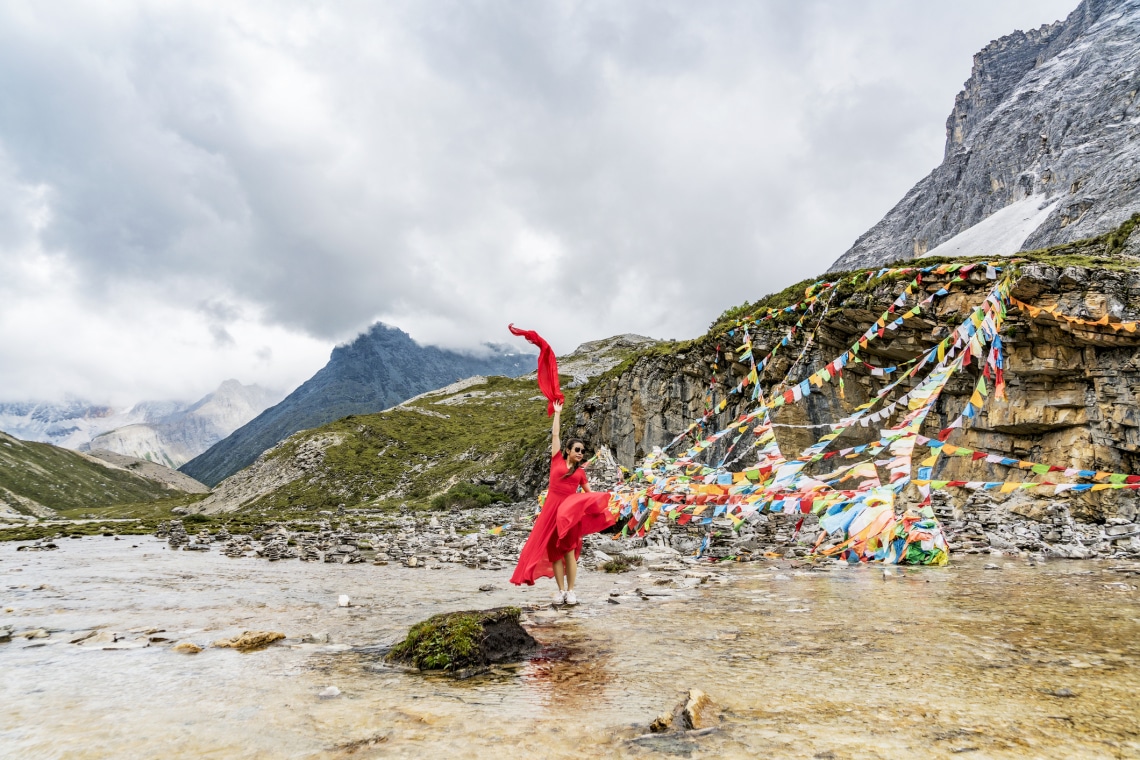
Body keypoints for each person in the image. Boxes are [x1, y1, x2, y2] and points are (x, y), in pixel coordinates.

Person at [509, 401, 616, 604]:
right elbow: (555, 436)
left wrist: (601, 506)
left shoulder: (581, 472)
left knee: (569, 552)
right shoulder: (556, 460)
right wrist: (557, 413)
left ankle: (571, 591)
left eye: (583, 451)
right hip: (550, 513)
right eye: (577, 449)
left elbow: (588, 494)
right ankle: (560, 591)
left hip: (569, 515)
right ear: (567, 450)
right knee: (555, 554)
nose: (580, 453)